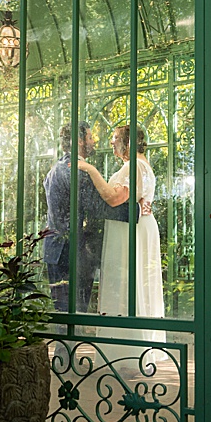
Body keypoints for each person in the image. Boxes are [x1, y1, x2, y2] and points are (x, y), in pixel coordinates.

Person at [76, 125, 167, 370]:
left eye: (115, 139)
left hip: (130, 229)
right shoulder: (142, 165)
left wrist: (90, 170)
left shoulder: (133, 166)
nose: (111, 143)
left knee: (126, 284)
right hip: (140, 225)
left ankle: (127, 352)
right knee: (135, 283)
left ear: (128, 142)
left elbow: (114, 198)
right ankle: (137, 348)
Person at [43, 122, 109, 313]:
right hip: (70, 251)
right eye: (90, 137)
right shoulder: (77, 169)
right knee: (74, 313)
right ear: (79, 141)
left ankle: (64, 343)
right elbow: (97, 208)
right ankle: (68, 344)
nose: (93, 141)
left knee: (63, 312)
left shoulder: (56, 168)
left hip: (55, 250)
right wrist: (135, 212)